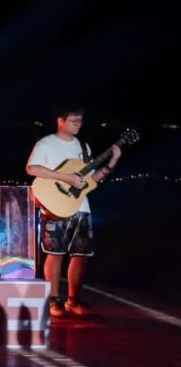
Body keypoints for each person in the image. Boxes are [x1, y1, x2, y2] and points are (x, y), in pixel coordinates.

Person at [26, 106, 120, 319]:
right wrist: (65, 178)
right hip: (54, 205)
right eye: (73, 121)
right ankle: (53, 300)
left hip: (81, 206)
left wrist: (112, 161)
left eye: (80, 122)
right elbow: (32, 168)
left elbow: (91, 179)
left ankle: (73, 300)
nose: (78, 125)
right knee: (55, 254)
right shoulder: (46, 144)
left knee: (82, 255)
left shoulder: (83, 147)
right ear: (60, 120)